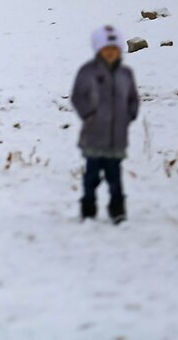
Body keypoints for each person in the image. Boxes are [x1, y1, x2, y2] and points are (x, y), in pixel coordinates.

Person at [71, 25, 139, 223]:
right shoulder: (87, 71)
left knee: (115, 177)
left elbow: (133, 98)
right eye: (106, 50)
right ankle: (88, 208)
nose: (110, 53)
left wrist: (129, 115)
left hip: (116, 138)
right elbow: (77, 96)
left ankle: (117, 209)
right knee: (91, 176)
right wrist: (89, 114)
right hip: (94, 136)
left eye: (114, 49)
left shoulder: (126, 74)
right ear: (99, 50)